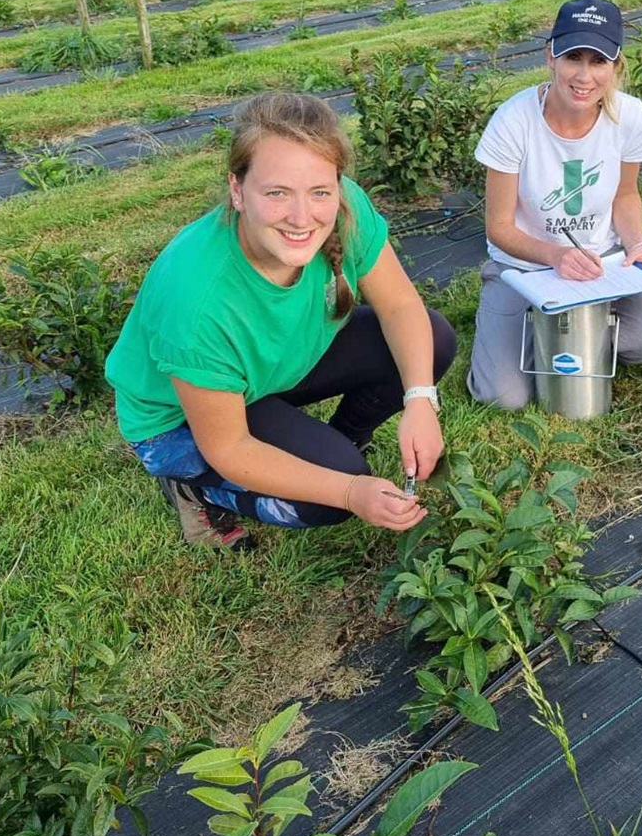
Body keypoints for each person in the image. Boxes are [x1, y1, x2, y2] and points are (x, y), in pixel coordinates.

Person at [106, 92, 456, 549]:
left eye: (319, 192)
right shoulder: (197, 299)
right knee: (328, 500)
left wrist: (420, 400)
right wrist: (350, 491)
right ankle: (193, 488)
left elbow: (400, 307)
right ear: (237, 190)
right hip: (182, 419)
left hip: (271, 368)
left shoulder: (345, 207)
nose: (301, 216)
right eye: (276, 193)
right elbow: (230, 448)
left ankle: (340, 444)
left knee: (434, 339)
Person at [468, 0, 642, 410]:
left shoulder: (630, 117)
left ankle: (568, 330)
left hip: (601, 265)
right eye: (573, 57)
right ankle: (531, 324)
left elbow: (625, 194)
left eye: (598, 61)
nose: (584, 76)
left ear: (616, 66)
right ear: (550, 56)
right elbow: (499, 227)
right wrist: (556, 255)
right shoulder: (513, 122)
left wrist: (637, 245)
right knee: (502, 398)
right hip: (524, 268)